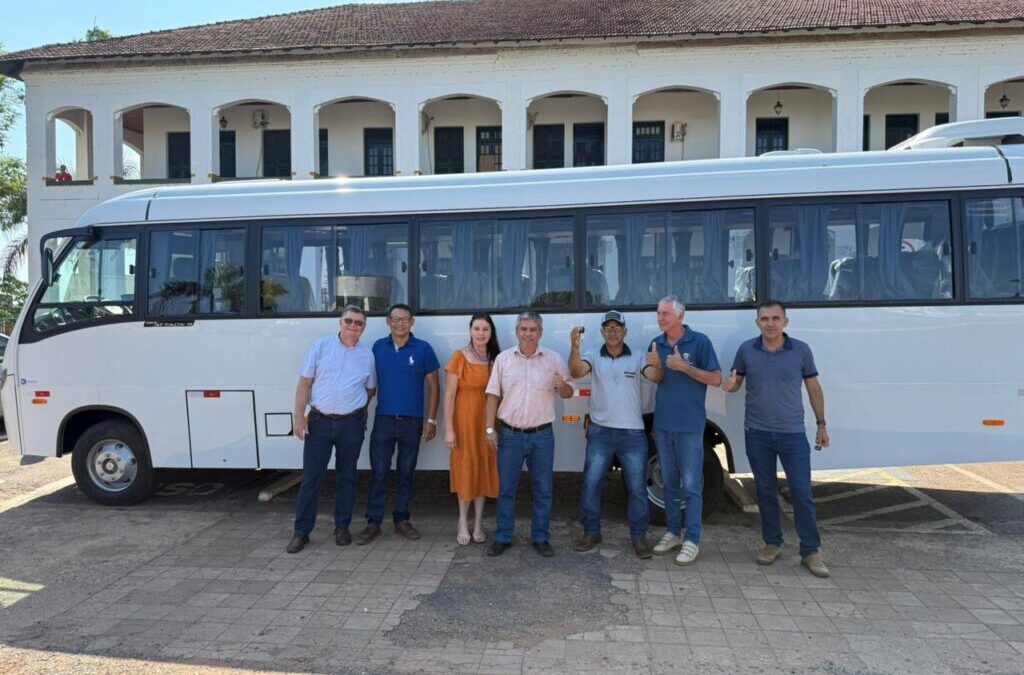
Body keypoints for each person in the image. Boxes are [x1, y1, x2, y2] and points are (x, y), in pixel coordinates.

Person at [721, 300, 831, 578]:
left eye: (775, 318)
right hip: (757, 433)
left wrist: (821, 423)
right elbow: (735, 385)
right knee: (766, 491)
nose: (770, 323)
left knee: (801, 493)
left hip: (792, 434)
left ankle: (811, 550)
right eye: (765, 319)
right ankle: (772, 543)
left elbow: (814, 388)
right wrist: (730, 386)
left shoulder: (801, 350)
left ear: (785, 321)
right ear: (757, 322)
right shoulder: (747, 350)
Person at [287, 305, 376, 553]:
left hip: (351, 424)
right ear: (340, 322)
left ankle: (342, 528)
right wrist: (298, 418)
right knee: (311, 479)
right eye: (348, 321)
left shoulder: (367, 356)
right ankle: (301, 532)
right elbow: (304, 383)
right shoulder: (321, 347)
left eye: (358, 323)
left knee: (347, 478)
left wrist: (358, 412)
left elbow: (370, 389)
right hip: (320, 422)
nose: (353, 326)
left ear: (363, 328)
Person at [484, 311, 573, 557]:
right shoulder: (503, 360)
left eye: (533, 330)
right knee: (506, 489)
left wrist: (562, 386)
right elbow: (492, 395)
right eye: (524, 329)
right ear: (517, 331)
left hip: (542, 435)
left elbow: (568, 393)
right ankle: (503, 537)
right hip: (510, 435)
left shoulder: (553, 359)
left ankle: (541, 537)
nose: (528, 334)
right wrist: (490, 429)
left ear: (540, 333)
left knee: (543, 489)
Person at [643, 295, 721, 566]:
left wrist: (684, 367)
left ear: (680, 316)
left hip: (689, 426)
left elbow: (716, 378)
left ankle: (692, 540)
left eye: (665, 313)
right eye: (659, 313)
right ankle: (673, 533)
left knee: (691, 486)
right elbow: (656, 379)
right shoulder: (657, 344)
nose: (660, 317)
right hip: (663, 425)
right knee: (669, 483)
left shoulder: (699, 342)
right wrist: (655, 368)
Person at [568, 310, 652, 559]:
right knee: (591, 484)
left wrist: (657, 365)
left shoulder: (637, 356)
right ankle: (591, 532)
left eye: (617, 327)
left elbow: (654, 375)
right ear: (602, 332)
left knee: (637, 488)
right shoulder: (593, 355)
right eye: (608, 328)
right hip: (600, 432)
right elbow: (575, 372)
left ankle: (639, 536)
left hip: (632, 434)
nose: (613, 331)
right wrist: (574, 347)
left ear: (625, 331)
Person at [359, 303, 440, 545]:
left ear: (412, 322)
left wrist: (431, 420)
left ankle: (401, 520)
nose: (400, 323)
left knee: (406, 473)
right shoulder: (377, 348)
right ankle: (373, 523)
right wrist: (361, 412)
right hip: (383, 420)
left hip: (411, 422)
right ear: (388, 322)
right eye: (395, 319)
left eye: (405, 319)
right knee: (379, 473)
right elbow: (370, 385)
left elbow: (435, 386)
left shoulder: (423, 349)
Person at [443, 313, 501, 545]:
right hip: (464, 423)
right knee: (466, 469)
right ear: (470, 331)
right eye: (476, 329)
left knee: (483, 470)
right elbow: (449, 395)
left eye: (485, 329)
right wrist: (449, 429)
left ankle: (478, 523)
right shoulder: (459, 356)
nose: (480, 333)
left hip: (487, 424)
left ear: (491, 332)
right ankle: (462, 522)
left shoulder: (496, 358)